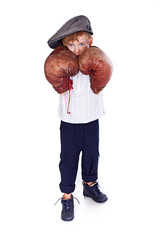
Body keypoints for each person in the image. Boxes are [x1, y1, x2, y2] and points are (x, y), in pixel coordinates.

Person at [45, 15, 112, 221]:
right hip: (70, 122)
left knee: (92, 154)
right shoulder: (62, 62)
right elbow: (58, 88)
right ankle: (67, 196)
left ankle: (90, 186)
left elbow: (103, 79)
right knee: (68, 160)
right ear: (65, 44)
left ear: (90, 41)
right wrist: (59, 78)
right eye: (72, 44)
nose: (77, 48)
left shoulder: (94, 58)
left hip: (92, 119)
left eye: (82, 43)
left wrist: (100, 72)